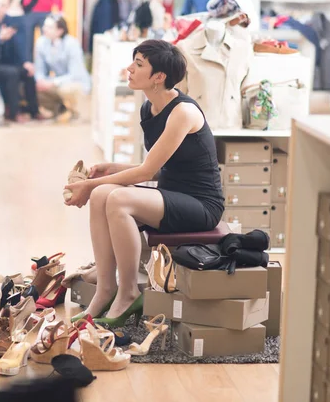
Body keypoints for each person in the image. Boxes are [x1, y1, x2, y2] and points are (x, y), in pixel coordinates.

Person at [64, 40, 224, 325]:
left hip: (201, 205)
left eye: (138, 64)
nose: (130, 68)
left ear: (158, 77)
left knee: (115, 198)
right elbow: (155, 170)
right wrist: (109, 170)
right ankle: (105, 289)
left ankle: (127, 293)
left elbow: (146, 171)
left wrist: (87, 186)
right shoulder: (149, 108)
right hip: (171, 193)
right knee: (103, 195)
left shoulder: (183, 112)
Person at [0, 0, 41, 123]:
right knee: (12, 73)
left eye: (3, 5)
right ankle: (13, 113)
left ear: (8, 7)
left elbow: (16, 46)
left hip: (5, 62)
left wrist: (25, 62)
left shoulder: (9, 21)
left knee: (27, 72)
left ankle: (34, 111)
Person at [34, 15, 90, 122]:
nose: (44, 29)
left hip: (75, 82)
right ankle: (60, 109)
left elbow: (75, 74)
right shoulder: (41, 43)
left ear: (60, 31)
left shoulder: (72, 44)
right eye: (45, 26)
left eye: (49, 27)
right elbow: (39, 69)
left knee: (66, 89)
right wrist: (40, 81)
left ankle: (75, 111)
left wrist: (53, 82)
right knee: (34, 87)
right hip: (57, 82)